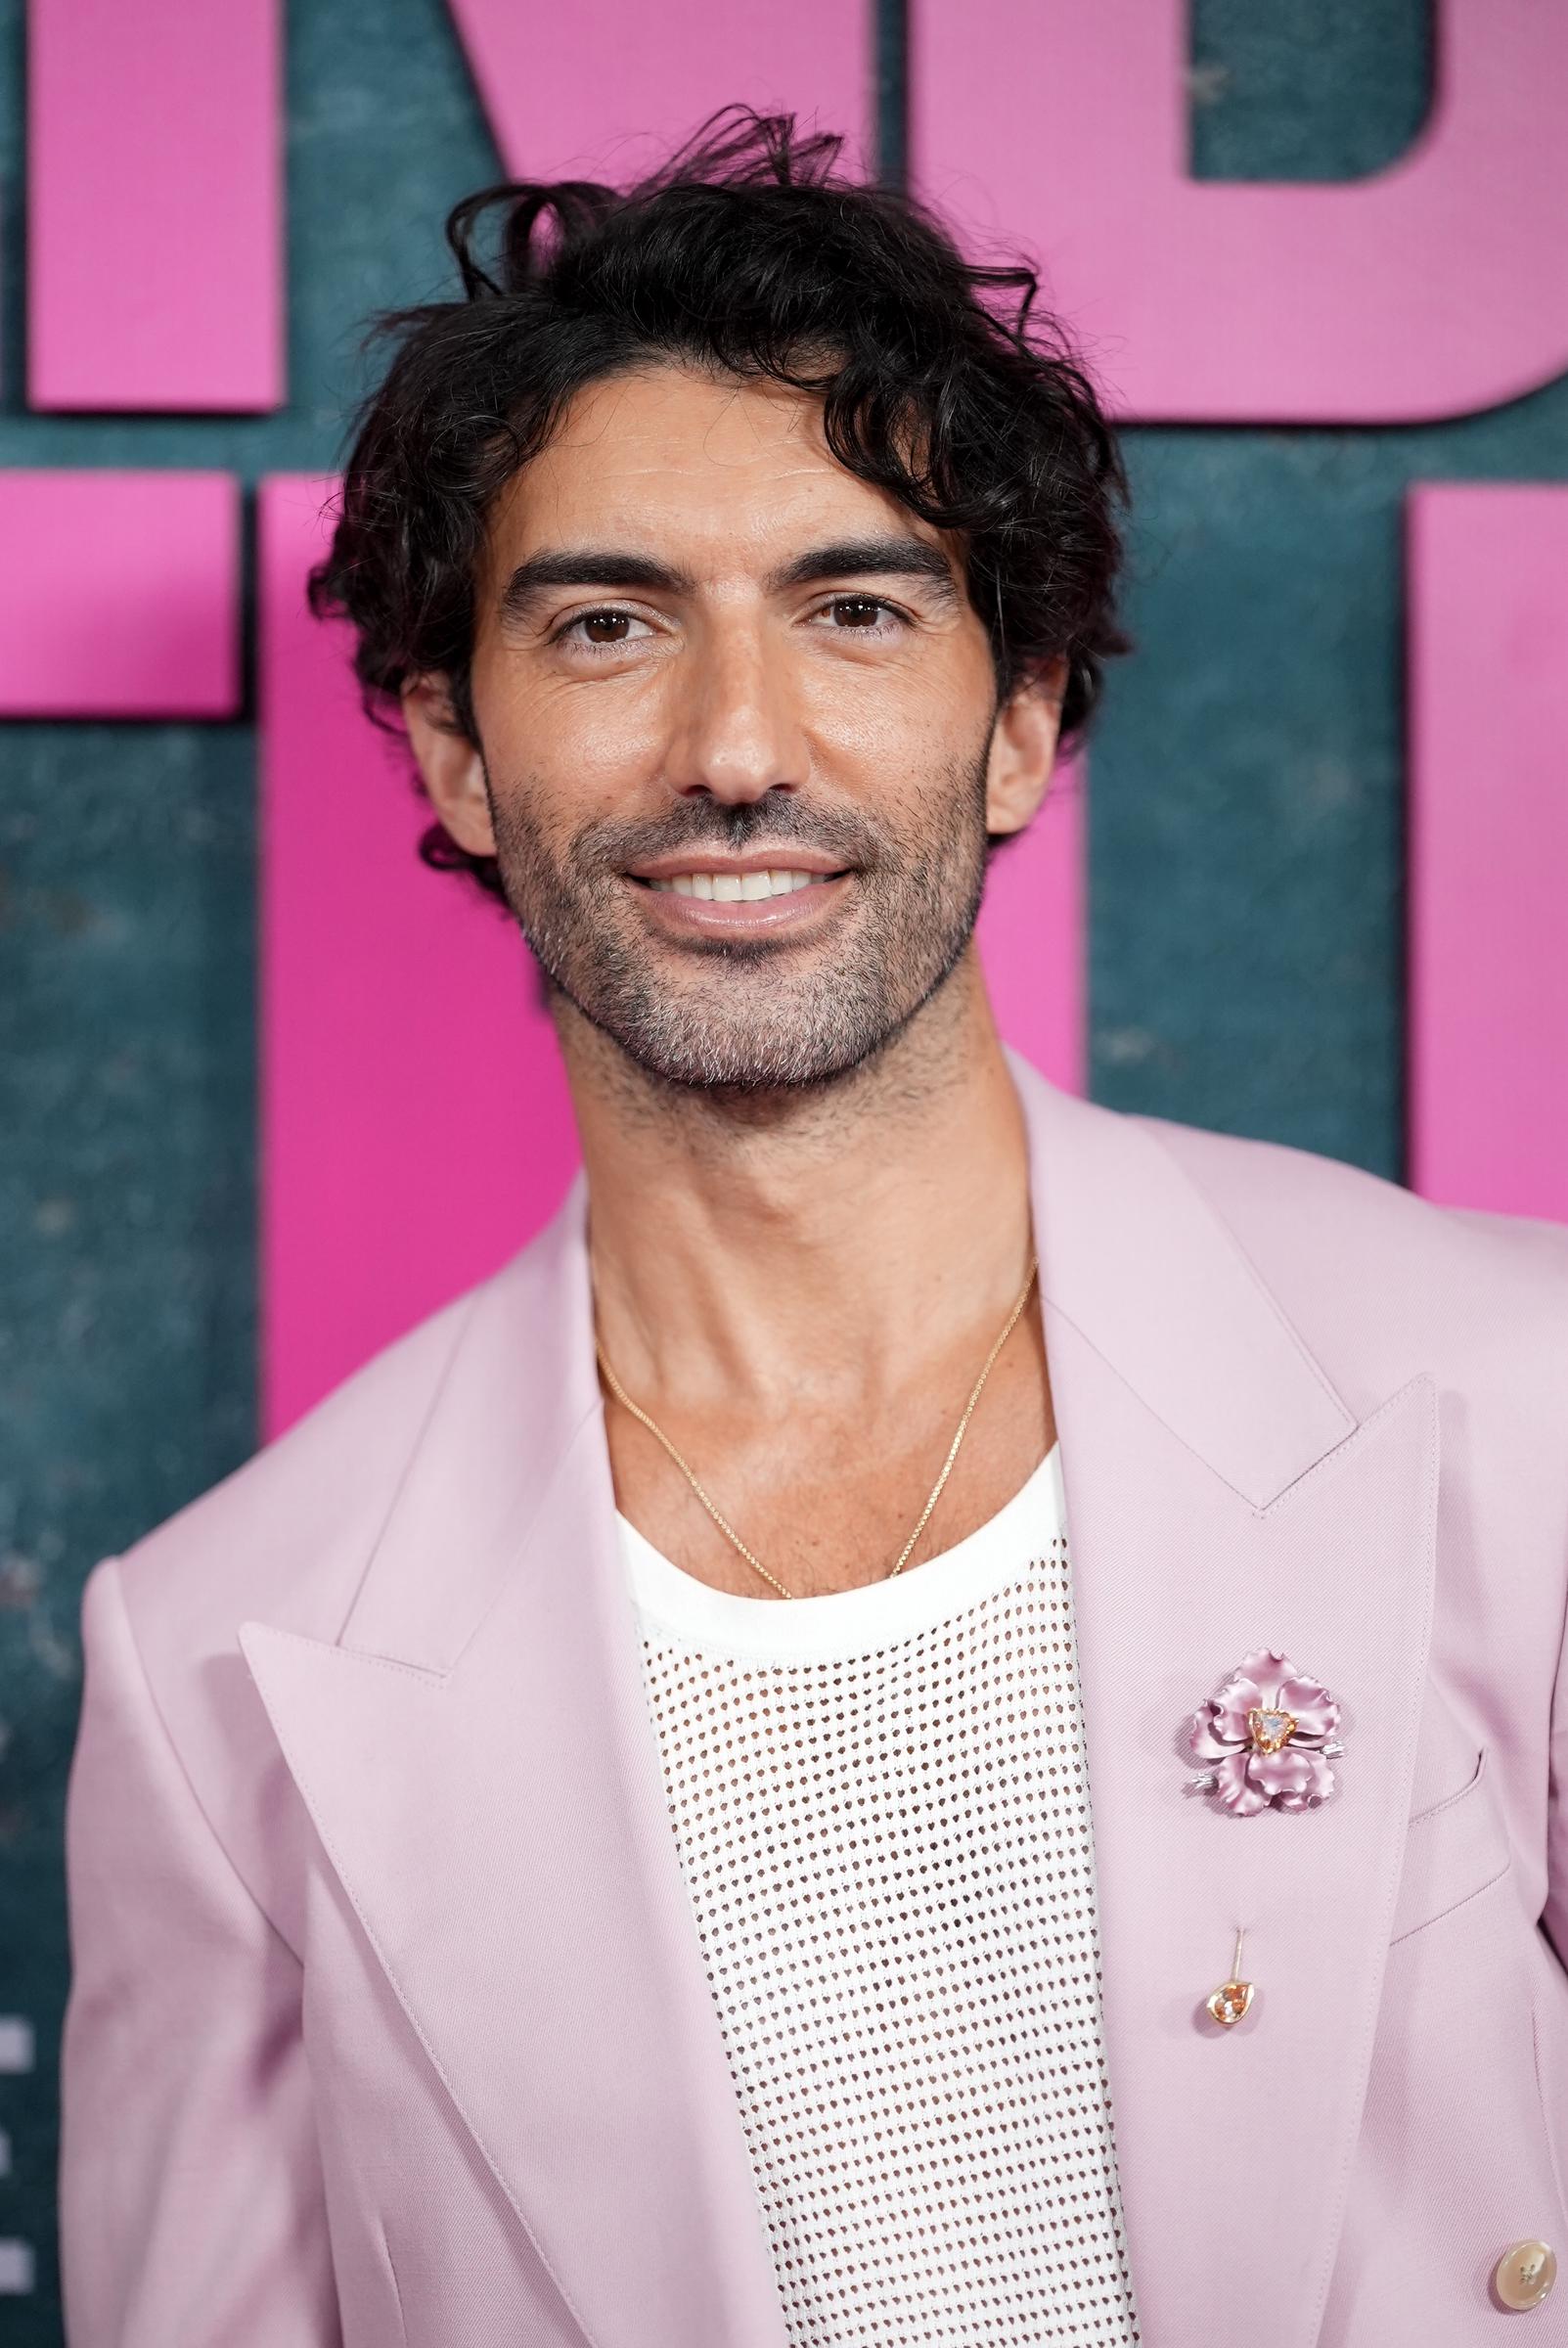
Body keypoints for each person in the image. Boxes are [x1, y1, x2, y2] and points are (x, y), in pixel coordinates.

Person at [58, 110, 1568, 2348]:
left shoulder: (1513, 1396)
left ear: (1021, 720)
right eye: (603, 625)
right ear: (458, 754)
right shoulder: (217, 1674)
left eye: (853, 610)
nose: (735, 746)